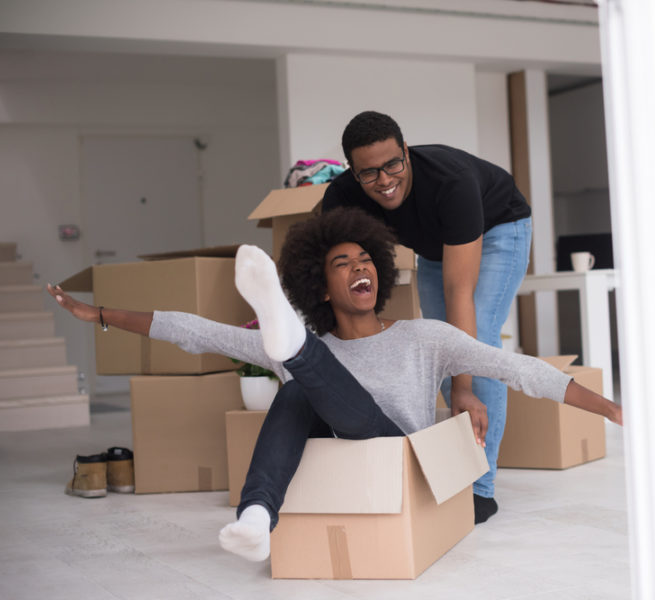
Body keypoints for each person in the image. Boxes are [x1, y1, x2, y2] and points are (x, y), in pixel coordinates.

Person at [49, 208, 622, 563]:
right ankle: (255, 520)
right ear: (321, 289)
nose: (359, 267)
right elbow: (197, 332)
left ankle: (291, 346)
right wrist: (99, 314)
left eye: (364, 258)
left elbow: (521, 370)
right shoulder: (313, 347)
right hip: (337, 453)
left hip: (398, 457)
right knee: (299, 384)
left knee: (299, 369)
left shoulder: (425, 337)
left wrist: (612, 409)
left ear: (381, 271)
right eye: (341, 263)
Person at [321, 111, 533, 521]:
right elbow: (331, 272)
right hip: (436, 248)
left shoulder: (451, 184)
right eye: (369, 173)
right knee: (438, 352)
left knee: (478, 343)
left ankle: (479, 489)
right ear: (352, 171)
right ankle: (453, 469)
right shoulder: (341, 195)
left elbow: (460, 294)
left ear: (406, 152)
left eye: (393, 165)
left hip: (497, 229)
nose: (384, 181)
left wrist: (462, 388)